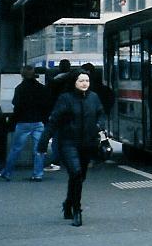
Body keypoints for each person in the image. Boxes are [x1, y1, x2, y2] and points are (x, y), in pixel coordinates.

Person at [38, 70, 106, 227]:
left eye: (87, 81)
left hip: (87, 143)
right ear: (74, 82)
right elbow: (54, 120)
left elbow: (101, 114)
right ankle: (77, 210)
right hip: (68, 142)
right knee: (75, 173)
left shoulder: (94, 98)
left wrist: (99, 125)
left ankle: (68, 203)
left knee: (79, 177)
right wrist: (43, 141)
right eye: (81, 80)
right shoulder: (65, 99)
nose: (84, 83)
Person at [0, 65, 52, 182]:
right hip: (38, 122)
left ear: (22, 75)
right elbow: (46, 105)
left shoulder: (19, 88)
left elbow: (16, 105)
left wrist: (12, 121)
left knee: (16, 148)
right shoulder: (41, 88)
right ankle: (38, 174)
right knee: (39, 149)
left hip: (23, 122)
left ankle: (7, 172)